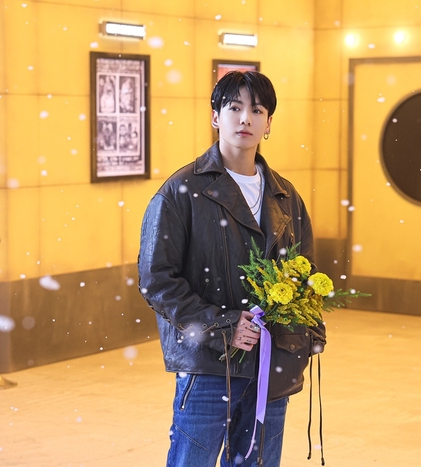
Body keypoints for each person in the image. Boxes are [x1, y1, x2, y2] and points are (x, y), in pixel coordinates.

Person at [138, 71, 325, 467]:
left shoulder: (285, 195)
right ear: (215, 117)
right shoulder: (181, 191)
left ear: (269, 123)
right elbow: (157, 279)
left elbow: (306, 273)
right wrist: (222, 325)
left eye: (256, 110)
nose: (245, 119)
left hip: (272, 363)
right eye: (234, 107)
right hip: (210, 364)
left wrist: (307, 333)